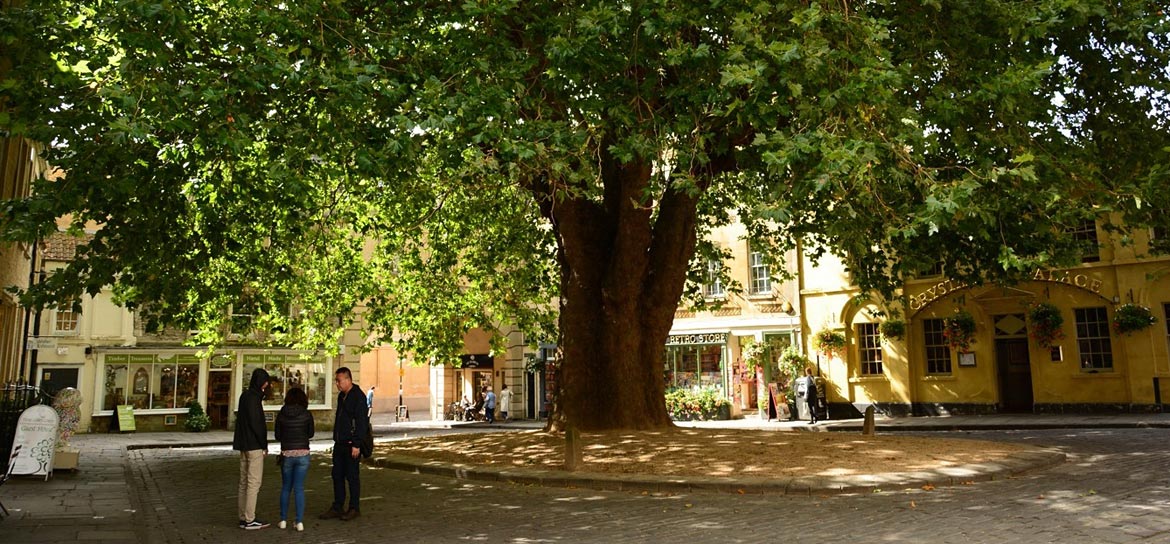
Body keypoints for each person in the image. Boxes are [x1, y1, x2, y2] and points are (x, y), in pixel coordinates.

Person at [319, 367, 368, 522]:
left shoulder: (358, 397)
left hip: (351, 444)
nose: (337, 384)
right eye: (336, 381)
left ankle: (354, 507)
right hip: (340, 443)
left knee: (352, 476)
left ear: (348, 379)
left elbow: (362, 422)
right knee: (337, 475)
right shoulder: (342, 396)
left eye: (339, 381)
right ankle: (337, 505)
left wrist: (357, 444)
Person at [233, 368, 270, 530]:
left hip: (243, 444)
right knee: (253, 482)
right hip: (254, 445)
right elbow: (257, 424)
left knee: (243, 482)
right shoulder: (254, 399)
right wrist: (264, 444)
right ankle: (250, 518)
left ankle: (243, 517)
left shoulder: (245, 396)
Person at [275, 387, 314, 532]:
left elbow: (277, 435)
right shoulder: (306, 414)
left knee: (286, 487)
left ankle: (283, 519)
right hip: (303, 453)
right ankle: (299, 522)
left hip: (287, 454)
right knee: (299, 488)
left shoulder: (282, 413)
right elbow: (311, 433)